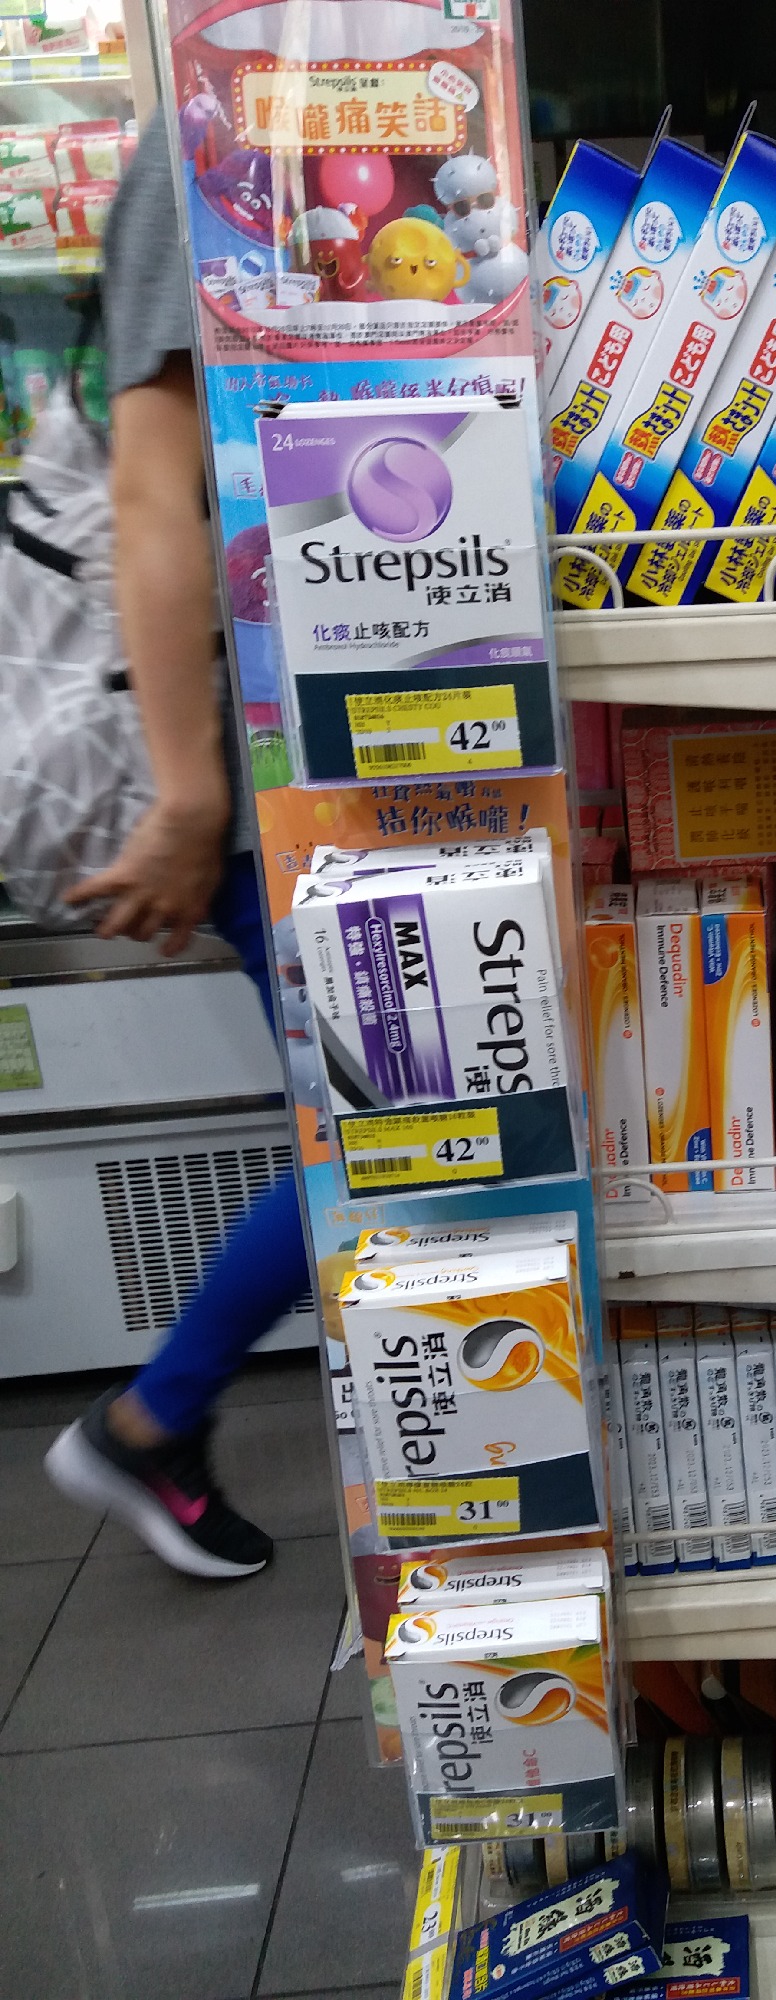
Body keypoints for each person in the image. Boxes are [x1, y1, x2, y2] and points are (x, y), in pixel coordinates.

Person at [44, 109, 309, 1579]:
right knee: (389, 1133)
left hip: (369, 743)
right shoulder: (212, 132)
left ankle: (155, 1418)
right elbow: (153, 488)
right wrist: (194, 795)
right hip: (277, 772)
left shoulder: (403, 86)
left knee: (397, 1127)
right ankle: (148, 1420)